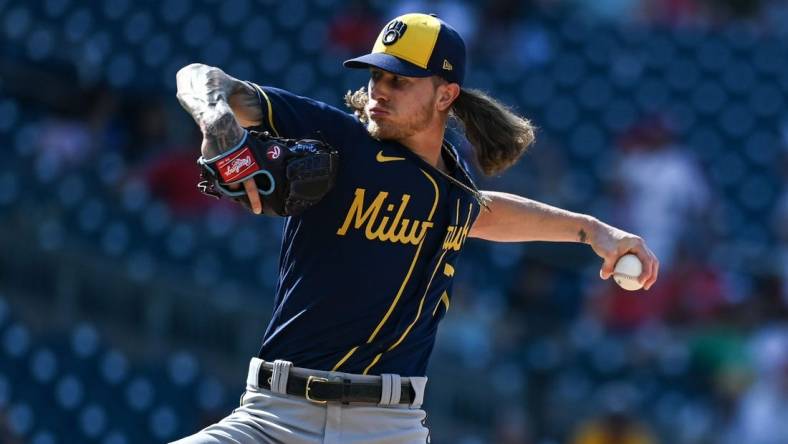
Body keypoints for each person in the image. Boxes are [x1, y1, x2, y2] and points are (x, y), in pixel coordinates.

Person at [173, 12, 659, 444]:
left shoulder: (452, 191)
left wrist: (594, 231)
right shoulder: (340, 139)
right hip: (276, 417)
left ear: (446, 94)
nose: (379, 89)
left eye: (400, 80)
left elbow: (488, 211)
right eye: (376, 75)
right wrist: (217, 118)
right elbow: (199, 77)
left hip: (388, 427)